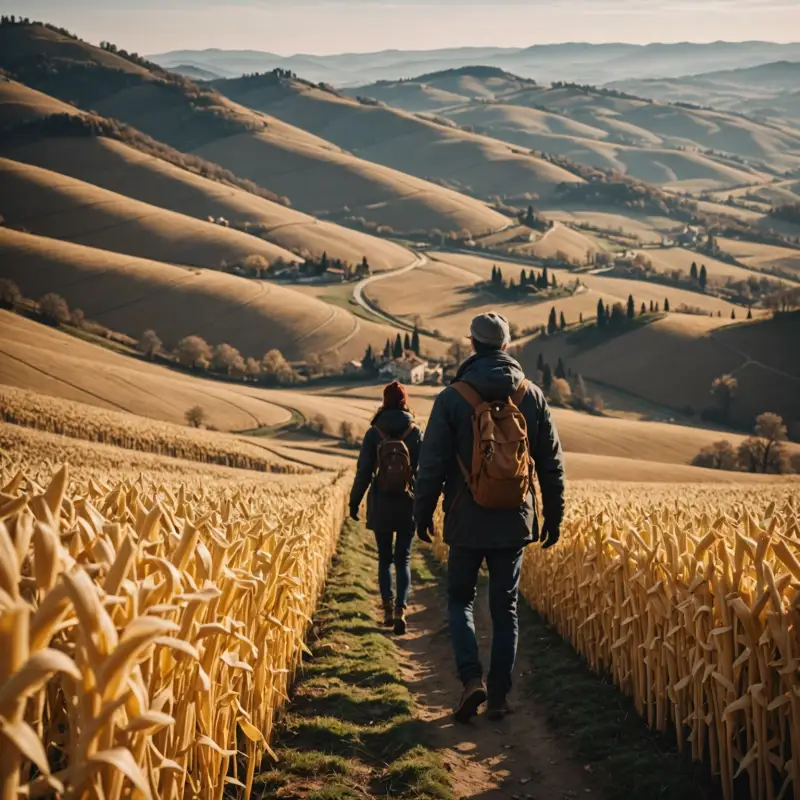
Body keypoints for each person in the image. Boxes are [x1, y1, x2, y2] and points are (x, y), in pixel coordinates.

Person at [414, 312, 565, 722]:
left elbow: (431, 464)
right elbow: (550, 463)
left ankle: (470, 680)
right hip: (515, 519)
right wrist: (553, 514)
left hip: (465, 518)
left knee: (460, 599)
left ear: (472, 344)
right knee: (506, 608)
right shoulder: (531, 395)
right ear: (507, 344)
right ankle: (498, 695)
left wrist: (423, 511)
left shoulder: (451, 398)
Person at [350, 380, 423, 634]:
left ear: (385, 401)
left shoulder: (374, 433)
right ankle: (402, 609)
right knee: (403, 559)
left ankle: (388, 609)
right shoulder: (414, 432)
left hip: (381, 503)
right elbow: (423, 473)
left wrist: (354, 501)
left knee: (385, 559)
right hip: (408, 504)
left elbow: (363, 472)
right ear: (405, 401)